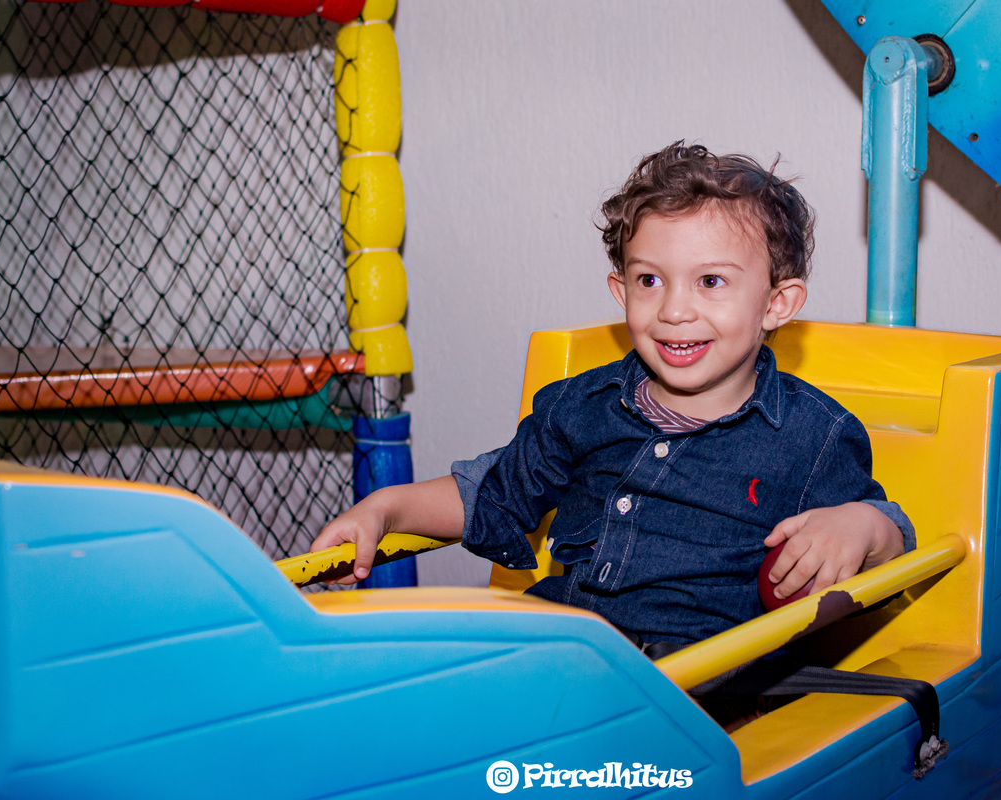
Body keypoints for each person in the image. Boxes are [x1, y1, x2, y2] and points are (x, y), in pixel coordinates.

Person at [311, 141, 913, 650]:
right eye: (650, 280)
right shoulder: (580, 407)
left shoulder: (812, 435)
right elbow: (490, 494)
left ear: (777, 304)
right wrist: (383, 509)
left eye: (711, 281)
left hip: (701, 691)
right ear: (621, 291)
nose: (674, 310)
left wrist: (862, 526)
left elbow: (893, 541)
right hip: (564, 653)